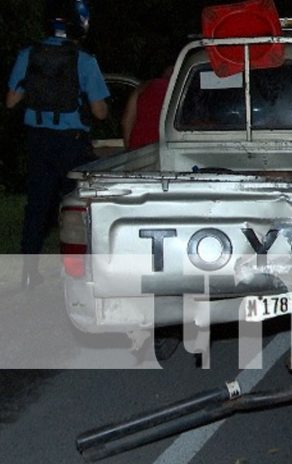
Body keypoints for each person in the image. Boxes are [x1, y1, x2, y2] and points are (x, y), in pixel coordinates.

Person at [6, 0, 110, 288]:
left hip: (38, 141)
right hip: (71, 143)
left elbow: (11, 100)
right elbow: (100, 111)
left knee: (37, 206)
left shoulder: (29, 54)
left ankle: (29, 272)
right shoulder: (85, 60)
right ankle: (78, 271)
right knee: (77, 205)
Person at [121, 65, 173, 150]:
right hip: (164, 149)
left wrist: (129, 149)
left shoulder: (143, 87)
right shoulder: (182, 93)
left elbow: (126, 121)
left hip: (138, 148)